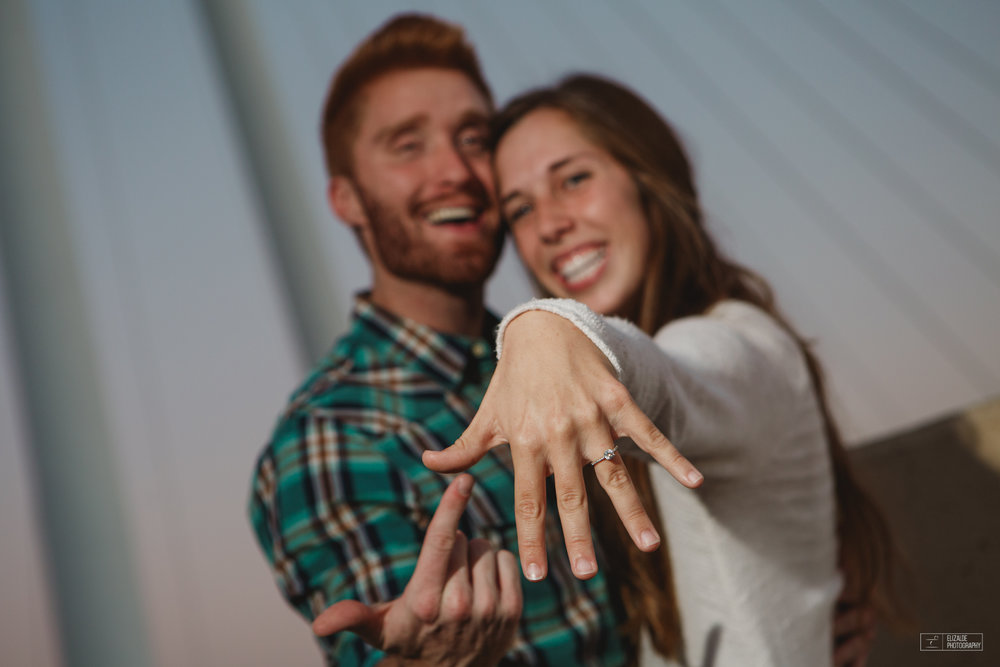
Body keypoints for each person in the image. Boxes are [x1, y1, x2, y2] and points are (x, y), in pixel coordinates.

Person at [247, 16, 700, 666]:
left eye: (473, 138)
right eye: (408, 145)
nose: (456, 170)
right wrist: (425, 657)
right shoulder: (331, 436)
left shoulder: (578, 350)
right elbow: (393, 636)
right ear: (347, 199)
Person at [424, 74, 899, 666]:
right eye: (520, 208)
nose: (549, 224)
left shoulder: (743, 345)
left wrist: (548, 328)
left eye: (574, 179)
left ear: (649, 179)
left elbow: (671, 378)